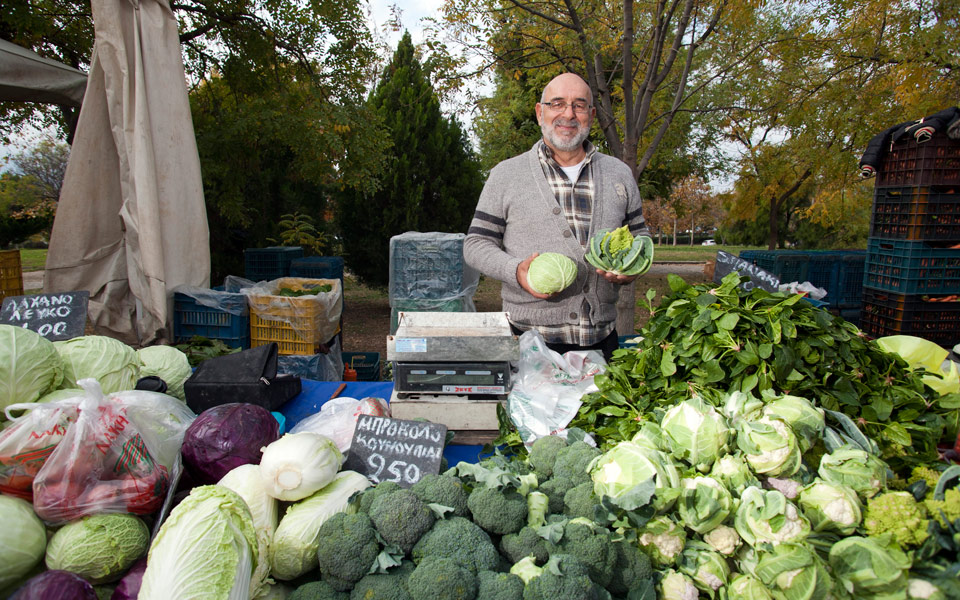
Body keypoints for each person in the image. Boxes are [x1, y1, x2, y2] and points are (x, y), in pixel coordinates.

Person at [463, 72, 649, 361]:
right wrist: (516, 271)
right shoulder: (506, 175)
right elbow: (475, 244)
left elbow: (640, 237)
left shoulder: (619, 173)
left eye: (578, 105)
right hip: (527, 343)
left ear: (591, 114)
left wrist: (632, 268)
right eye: (557, 104)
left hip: (601, 341)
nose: (568, 114)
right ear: (540, 112)